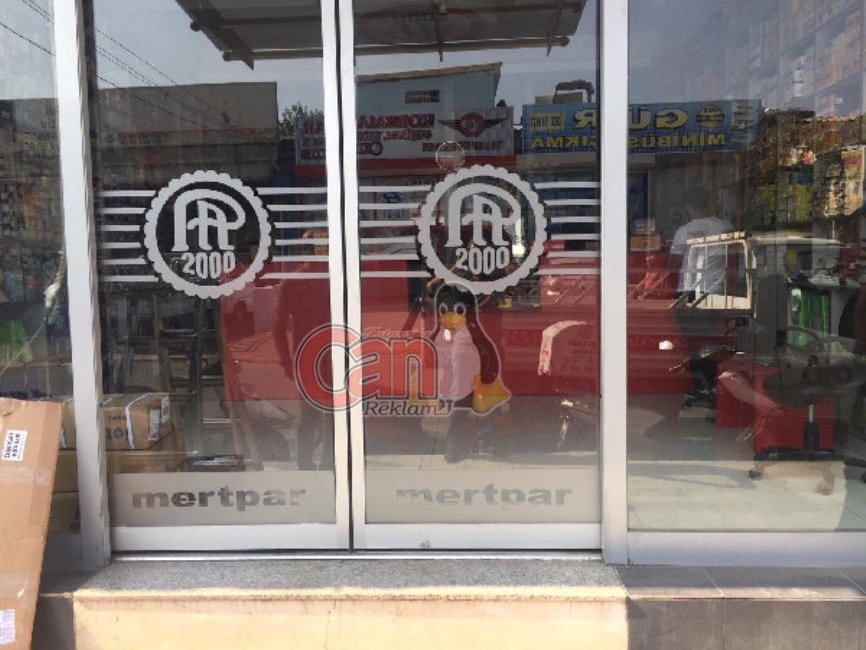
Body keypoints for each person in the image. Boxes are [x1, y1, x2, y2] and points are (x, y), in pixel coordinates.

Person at [669, 186, 734, 300]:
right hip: (717, 293)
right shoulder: (726, 227)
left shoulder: (684, 231)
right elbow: (732, 260)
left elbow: (673, 265)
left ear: (688, 208)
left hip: (689, 292)